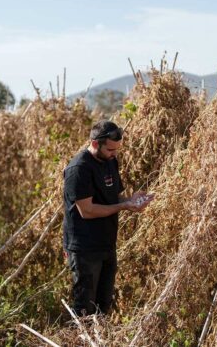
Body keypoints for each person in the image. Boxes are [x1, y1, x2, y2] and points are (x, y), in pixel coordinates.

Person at [62, 120, 154, 316]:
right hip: (84, 249)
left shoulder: (110, 161)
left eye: (117, 149)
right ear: (95, 144)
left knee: (104, 305)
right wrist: (124, 206)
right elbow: (86, 210)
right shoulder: (78, 169)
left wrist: (131, 200)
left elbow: (113, 198)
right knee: (85, 308)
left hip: (107, 244)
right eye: (111, 149)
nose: (115, 154)